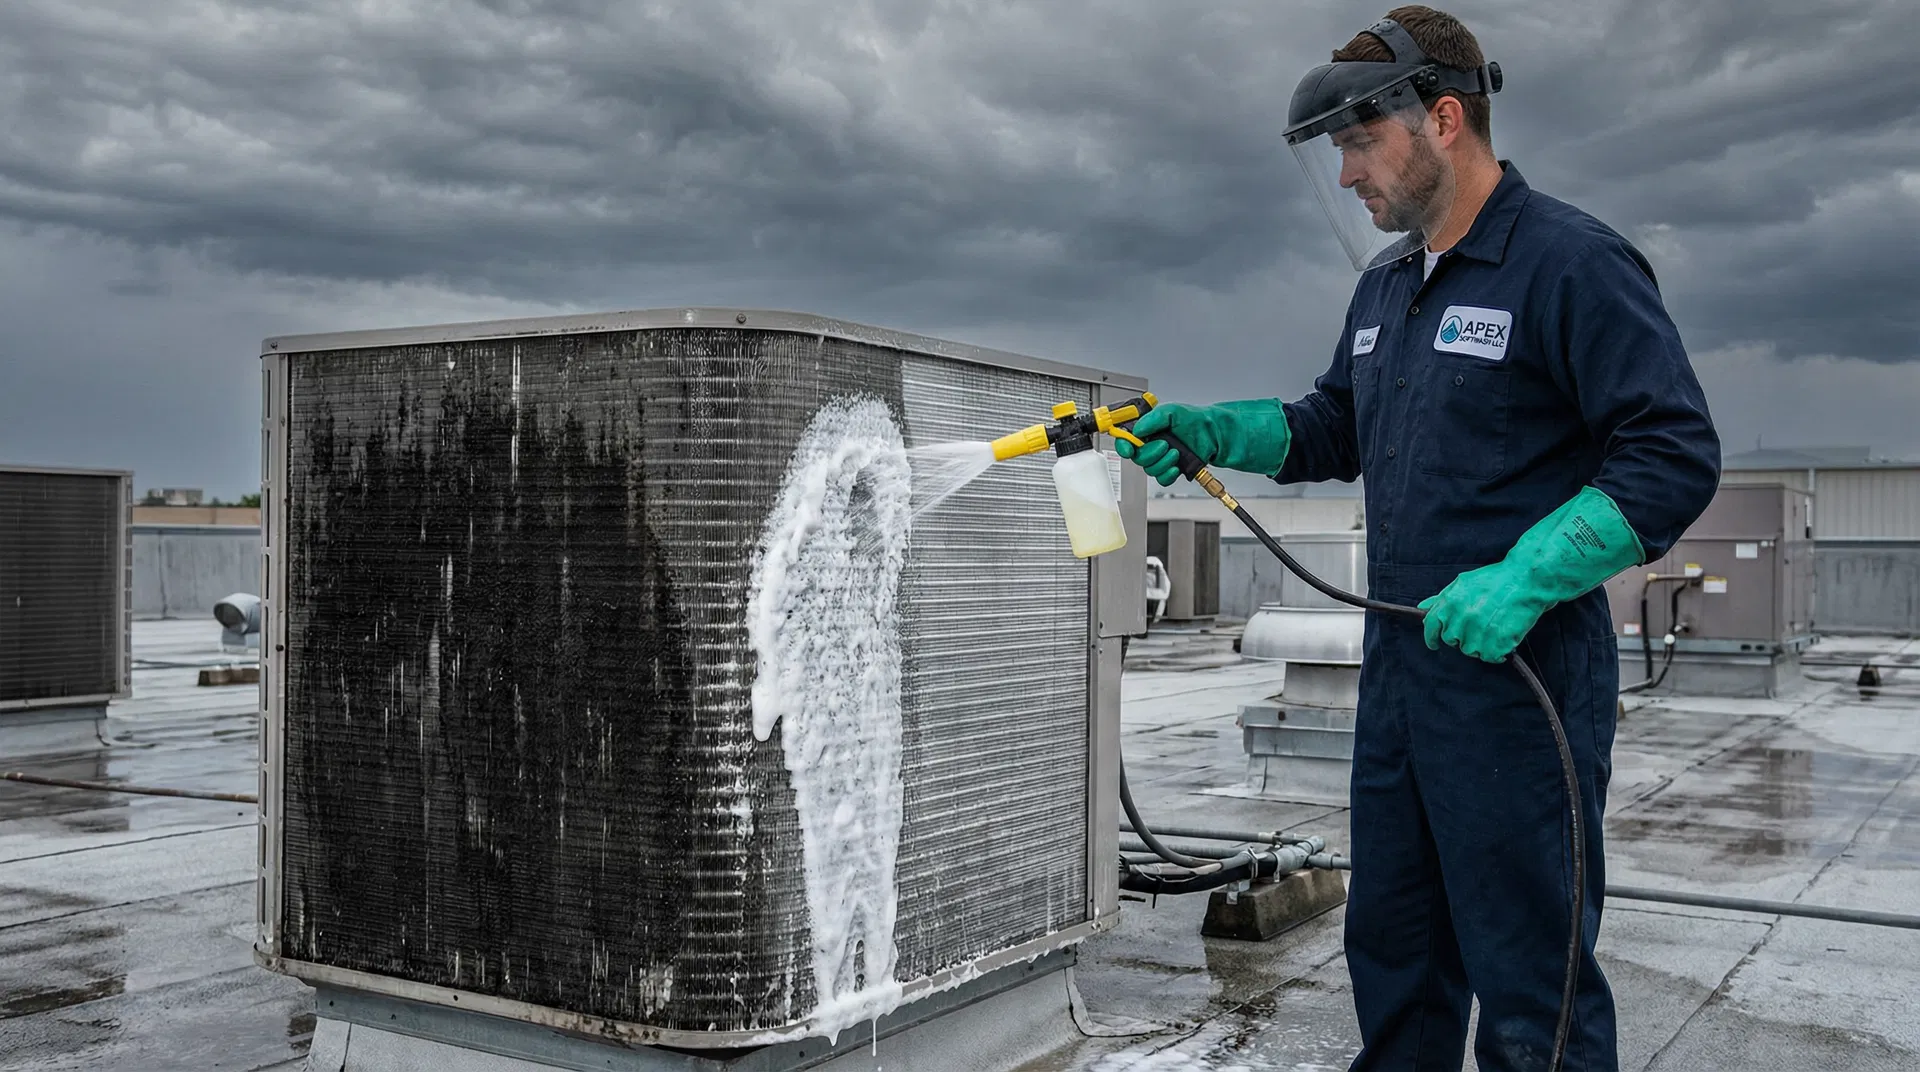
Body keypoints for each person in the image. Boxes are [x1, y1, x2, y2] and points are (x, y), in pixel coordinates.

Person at [1117, 8, 1721, 1071]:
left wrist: (1527, 576)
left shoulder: (1569, 264)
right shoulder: (1387, 287)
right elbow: (1332, 424)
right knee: (1394, 957)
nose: (1347, 175)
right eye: (1338, 152)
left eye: (1358, 142)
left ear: (1443, 119)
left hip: (1523, 684)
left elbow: (1671, 453)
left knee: (1535, 984)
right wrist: (1219, 429)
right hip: (1403, 682)